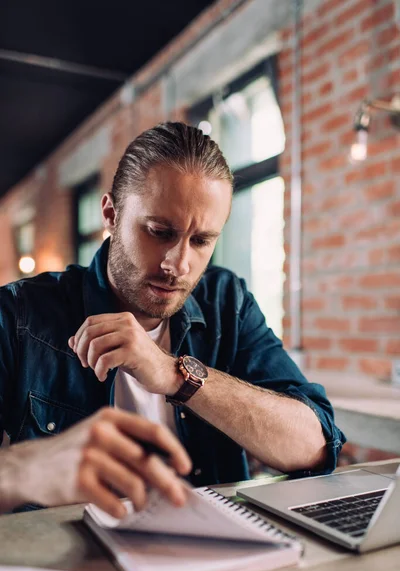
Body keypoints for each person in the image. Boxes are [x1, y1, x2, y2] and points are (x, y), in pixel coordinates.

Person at [0, 122, 345, 518]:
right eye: (160, 232)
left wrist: (176, 376)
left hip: (217, 558)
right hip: (72, 565)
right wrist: (26, 469)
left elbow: (315, 444)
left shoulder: (226, 303)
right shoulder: (19, 315)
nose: (178, 265)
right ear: (111, 215)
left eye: (201, 242)